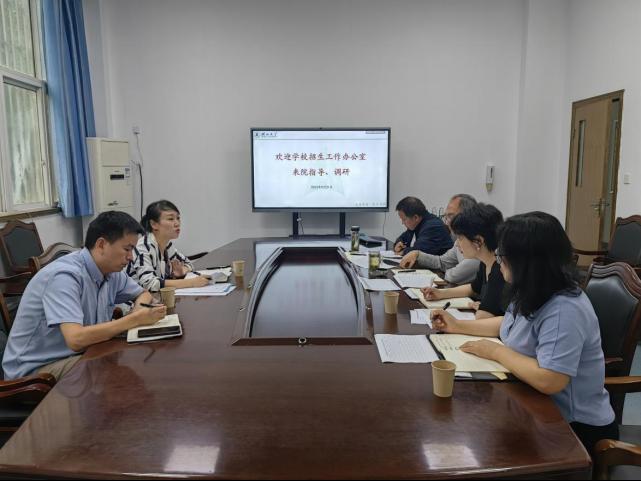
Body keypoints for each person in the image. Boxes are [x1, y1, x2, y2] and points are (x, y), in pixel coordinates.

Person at [430, 212, 617, 455]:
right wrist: (457, 326)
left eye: (503, 255)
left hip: (573, 429)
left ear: (527, 261)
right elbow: (508, 324)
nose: (498, 261)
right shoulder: (532, 288)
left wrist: (496, 352)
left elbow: (550, 379)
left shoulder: (565, 308)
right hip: (530, 403)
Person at [2, 211, 167, 381]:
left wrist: (137, 310)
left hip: (81, 353)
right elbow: (76, 339)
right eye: (127, 249)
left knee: (135, 358)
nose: (131, 257)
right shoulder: (64, 277)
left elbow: (143, 293)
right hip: (35, 370)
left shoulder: (112, 272)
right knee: (112, 370)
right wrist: (134, 320)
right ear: (101, 244)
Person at [421, 203, 507, 318]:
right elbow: (473, 288)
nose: (457, 244)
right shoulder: (485, 262)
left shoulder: (499, 269)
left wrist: (482, 309)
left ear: (478, 241)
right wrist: (440, 293)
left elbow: (482, 317)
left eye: (460, 238)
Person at [127, 200, 209, 291]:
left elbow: (189, 264)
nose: (177, 223)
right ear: (154, 224)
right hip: (133, 298)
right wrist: (191, 283)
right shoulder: (143, 247)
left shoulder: (168, 245)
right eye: (170, 219)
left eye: (178, 218)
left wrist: (182, 271)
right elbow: (150, 284)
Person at [399, 194, 480, 284]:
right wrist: (417, 254)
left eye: (451, 216)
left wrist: (440, 274)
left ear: (467, 215)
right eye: (446, 217)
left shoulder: (477, 242)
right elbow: (442, 262)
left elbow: (454, 276)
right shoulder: (459, 239)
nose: (447, 222)